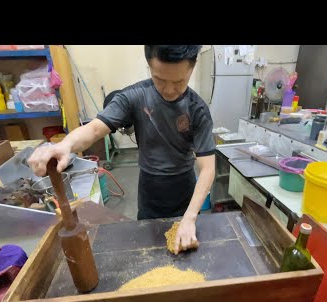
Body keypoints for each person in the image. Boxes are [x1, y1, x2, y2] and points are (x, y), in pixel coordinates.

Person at [28, 45, 216, 254]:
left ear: (192, 68)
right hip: (150, 189)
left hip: (184, 189)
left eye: (180, 82)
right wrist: (65, 145)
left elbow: (207, 168)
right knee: (147, 249)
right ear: (149, 66)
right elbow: (95, 128)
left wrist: (190, 218)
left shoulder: (197, 109)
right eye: (160, 80)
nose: (169, 90)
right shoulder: (135, 96)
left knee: (186, 253)